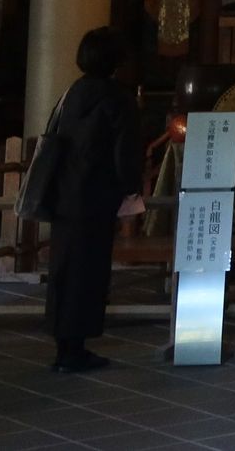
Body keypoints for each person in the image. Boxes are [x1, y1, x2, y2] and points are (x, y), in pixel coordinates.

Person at [44, 27, 144, 373]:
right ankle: (75, 349)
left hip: (64, 194)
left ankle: (64, 344)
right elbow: (124, 153)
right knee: (88, 273)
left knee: (65, 270)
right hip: (96, 196)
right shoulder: (118, 99)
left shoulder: (72, 93)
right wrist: (131, 187)